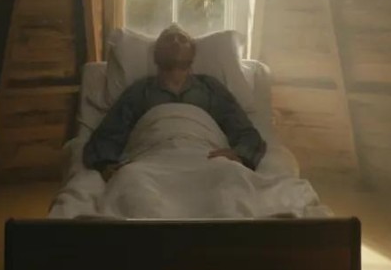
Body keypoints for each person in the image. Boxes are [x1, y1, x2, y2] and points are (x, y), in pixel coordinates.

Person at [83, 25, 267, 182]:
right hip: (151, 162)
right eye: (168, 39)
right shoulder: (139, 91)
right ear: (156, 54)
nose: (176, 42)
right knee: (130, 177)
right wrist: (106, 164)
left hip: (205, 159)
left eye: (182, 39)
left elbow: (245, 131)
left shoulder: (211, 88)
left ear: (193, 53)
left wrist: (240, 155)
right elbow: (109, 133)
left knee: (230, 174)